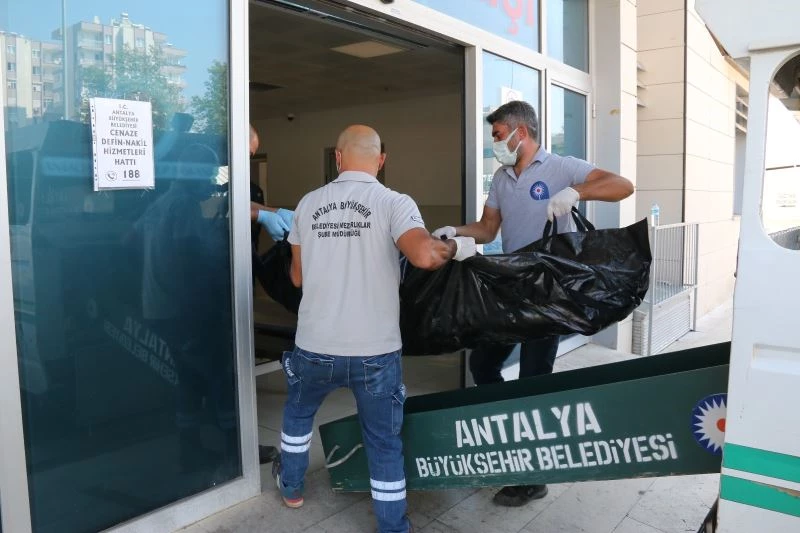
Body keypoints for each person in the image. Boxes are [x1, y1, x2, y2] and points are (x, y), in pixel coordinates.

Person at [273, 125, 476, 533]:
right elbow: (424, 256)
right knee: (383, 441)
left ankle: (291, 488)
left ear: (337, 158)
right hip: (375, 351)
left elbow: (297, 277)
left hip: (315, 343)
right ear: (381, 160)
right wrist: (457, 246)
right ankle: (392, 526)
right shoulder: (393, 202)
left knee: (298, 414)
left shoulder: (307, 204)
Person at [432, 100, 634, 507]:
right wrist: (454, 230)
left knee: (533, 377)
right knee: (483, 365)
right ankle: (508, 434)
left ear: (519, 132)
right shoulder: (502, 177)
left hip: (549, 292)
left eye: (497, 134)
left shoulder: (562, 167)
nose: (495, 142)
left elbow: (623, 185)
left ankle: (533, 477)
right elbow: (488, 228)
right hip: (511, 287)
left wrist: (577, 191)